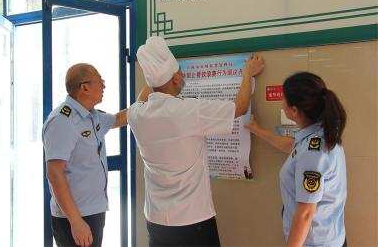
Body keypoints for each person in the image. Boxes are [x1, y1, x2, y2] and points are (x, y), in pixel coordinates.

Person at [128, 36, 265, 246]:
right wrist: (248, 72)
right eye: (181, 73)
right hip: (192, 220)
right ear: (174, 80)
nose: (184, 76)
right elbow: (240, 107)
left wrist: (157, 79)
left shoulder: (137, 114)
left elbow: (145, 93)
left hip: (156, 219)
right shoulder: (187, 110)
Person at [244, 72, 347, 247]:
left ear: (294, 110)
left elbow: (306, 213)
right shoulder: (319, 134)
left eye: (283, 99)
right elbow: (292, 147)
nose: (281, 103)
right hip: (327, 238)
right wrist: (257, 130)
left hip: (314, 243)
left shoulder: (313, 151)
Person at [42, 63, 128, 247]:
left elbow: (119, 118)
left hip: (94, 210)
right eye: (100, 81)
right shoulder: (62, 121)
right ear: (84, 87)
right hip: (75, 216)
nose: (104, 86)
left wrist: (150, 100)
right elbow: (54, 172)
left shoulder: (92, 116)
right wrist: (75, 221)